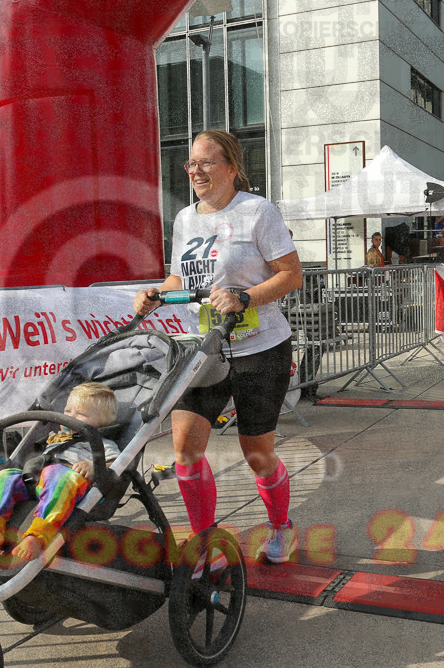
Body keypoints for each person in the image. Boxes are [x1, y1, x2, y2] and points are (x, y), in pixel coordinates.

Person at [133, 129, 303, 566]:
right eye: (191, 163)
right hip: (203, 351)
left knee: (257, 453)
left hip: (260, 349)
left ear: (231, 167)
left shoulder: (258, 211)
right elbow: (180, 279)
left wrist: (245, 296)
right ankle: (205, 540)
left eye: (206, 162)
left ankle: (282, 527)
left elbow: (291, 274)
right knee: (186, 451)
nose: (196, 171)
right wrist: (156, 292)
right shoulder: (185, 219)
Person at [0, 382, 119, 562]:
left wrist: (93, 466)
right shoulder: (57, 437)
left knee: (57, 473)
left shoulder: (103, 443)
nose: (70, 417)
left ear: (102, 422)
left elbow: (117, 463)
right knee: (3, 477)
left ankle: (37, 537)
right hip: (38, 482)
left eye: (81, 414)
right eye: (68, 411)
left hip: (69, 487)